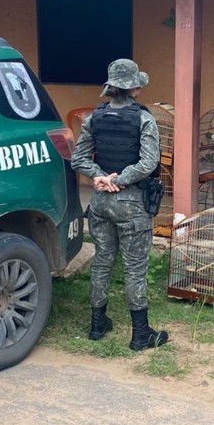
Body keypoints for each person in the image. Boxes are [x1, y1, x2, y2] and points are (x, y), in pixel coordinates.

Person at [71, 59, 169, 351]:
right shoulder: (144, 118)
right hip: (131, 203)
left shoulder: (94, 117)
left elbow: (78, 159)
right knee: (135, 268)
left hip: (100, 201)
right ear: (134, 87)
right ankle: (141, 335)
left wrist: (101, 178)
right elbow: (149, 163)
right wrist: (121, 180)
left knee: (102, 261)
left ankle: (97, 325)